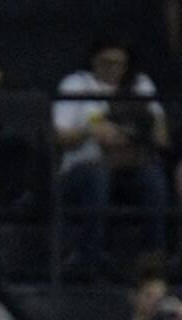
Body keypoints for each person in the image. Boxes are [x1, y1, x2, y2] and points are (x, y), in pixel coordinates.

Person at [53, 38, 170, 279]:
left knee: (154, 179)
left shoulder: (140, 84)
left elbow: (162, 137)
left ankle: (154, 258)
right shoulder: (76, 84)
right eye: (106, 62)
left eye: (119, 64)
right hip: (83, 168)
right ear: (94, 60)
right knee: (97, 177)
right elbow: (60, 136)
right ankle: (89, 258)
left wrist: (135, 134)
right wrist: (90, 131)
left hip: (130, 165)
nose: (113, 69)